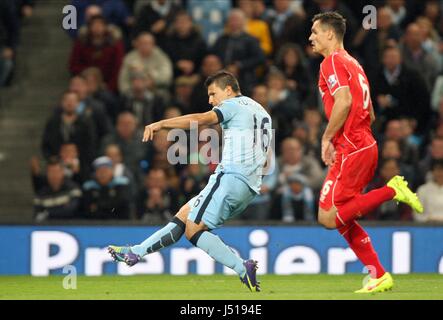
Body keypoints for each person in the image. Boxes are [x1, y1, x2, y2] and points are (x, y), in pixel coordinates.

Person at [108, 71, 272, 292]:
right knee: (184, 215)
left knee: (193, 230)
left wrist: (162, 124)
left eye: (213, 94)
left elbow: (201, 120)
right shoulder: (260, 111)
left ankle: (242, 267)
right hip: (249, 185)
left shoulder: (232, 105)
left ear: (229, 90)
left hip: (231, 178)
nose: (210, 100)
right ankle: (136, 252)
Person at [309, 12, 423, 294]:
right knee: (342, 217)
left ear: (330, 34)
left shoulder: (332, 62)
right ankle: (380, 274)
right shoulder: (354, 63)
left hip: (352, 147)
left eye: (315, 31)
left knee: (326, 218)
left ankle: (392, 191)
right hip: (363, 143)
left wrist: (328, 138)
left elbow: (344, 101)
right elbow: (370, 112)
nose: (310, 37)